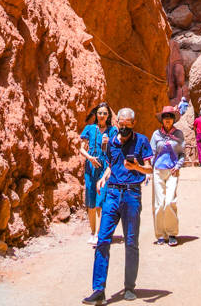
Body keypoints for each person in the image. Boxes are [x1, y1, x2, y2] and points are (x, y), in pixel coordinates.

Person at [83, 107, 153, 304]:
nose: (123, 128)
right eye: (120, 125)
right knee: (103, 239)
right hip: (112, 193)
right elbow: (112, 165)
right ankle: (98, 289)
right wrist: (103, 178)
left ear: (133, 124)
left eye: (126, 125)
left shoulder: (142, 141)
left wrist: (136, 166)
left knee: (131, 242)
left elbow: (149, 168)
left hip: (131, 194)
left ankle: (129, 287)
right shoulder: (112, 143)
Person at [80, 103, 117, 245]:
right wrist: (89, 158)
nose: (102, 116)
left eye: (105, 113)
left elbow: (114, 151)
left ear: (108, 116)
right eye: (100, 113)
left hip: (104, 167)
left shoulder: (113, 131)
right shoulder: (89, 129)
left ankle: (99, 234)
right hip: (90, 166)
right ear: (96, 114)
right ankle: (92, 232)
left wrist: (107, 144)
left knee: (100, 200)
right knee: (90, 200)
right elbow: (81, 149)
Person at [150, 106, 185, 246]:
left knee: (170, 201)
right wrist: (148, 170)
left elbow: (182, 153)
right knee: (159, 204)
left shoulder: (179, 134)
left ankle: (171, 233)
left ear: (173, 119)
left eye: (170, 117)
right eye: (165, 117)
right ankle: (160, 234)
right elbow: (151, 153)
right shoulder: (156, 135)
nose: (168, 120)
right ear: (162, 120)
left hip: (173, 171)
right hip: (158, 170)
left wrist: (178, 166)